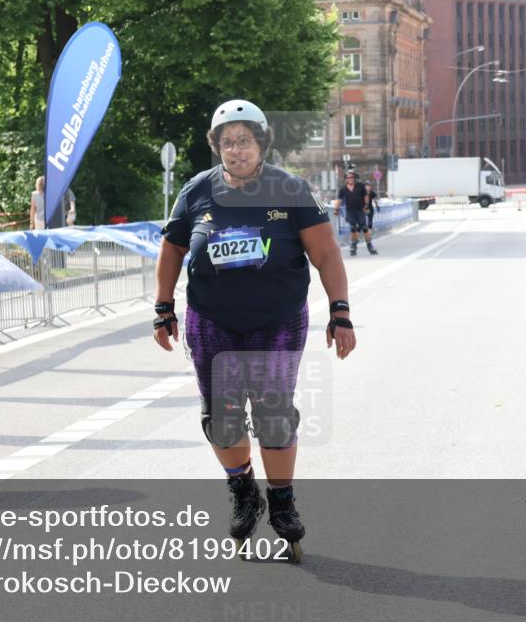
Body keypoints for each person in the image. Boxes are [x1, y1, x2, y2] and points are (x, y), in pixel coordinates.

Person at [152, 99, 356, 562]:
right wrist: (163, 307)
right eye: (227, 142)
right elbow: (171, 251)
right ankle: (243, 490)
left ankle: (282, 503)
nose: (236, 150)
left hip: (276, 322)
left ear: (261, 143)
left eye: (245, 140)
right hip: (212, 322)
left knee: (274, 415)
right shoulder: (196, 192)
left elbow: (326, 255)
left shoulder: (290, 190)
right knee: (221, 419)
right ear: (216, 146)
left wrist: (339, 312)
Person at [336, 171, 376, 256]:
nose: (350, 179)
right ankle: (353, 246)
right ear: (346, 179)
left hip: (360, 210)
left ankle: (370, 245)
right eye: (348, 178)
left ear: (354, 178)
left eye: (351, 177)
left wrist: (366, 206)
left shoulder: (360, 186)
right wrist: (336, 208)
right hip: (350, 211)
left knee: (364, 228)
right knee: (353, 228)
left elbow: (365, 196)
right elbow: (339, 200)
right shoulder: (343, 189)